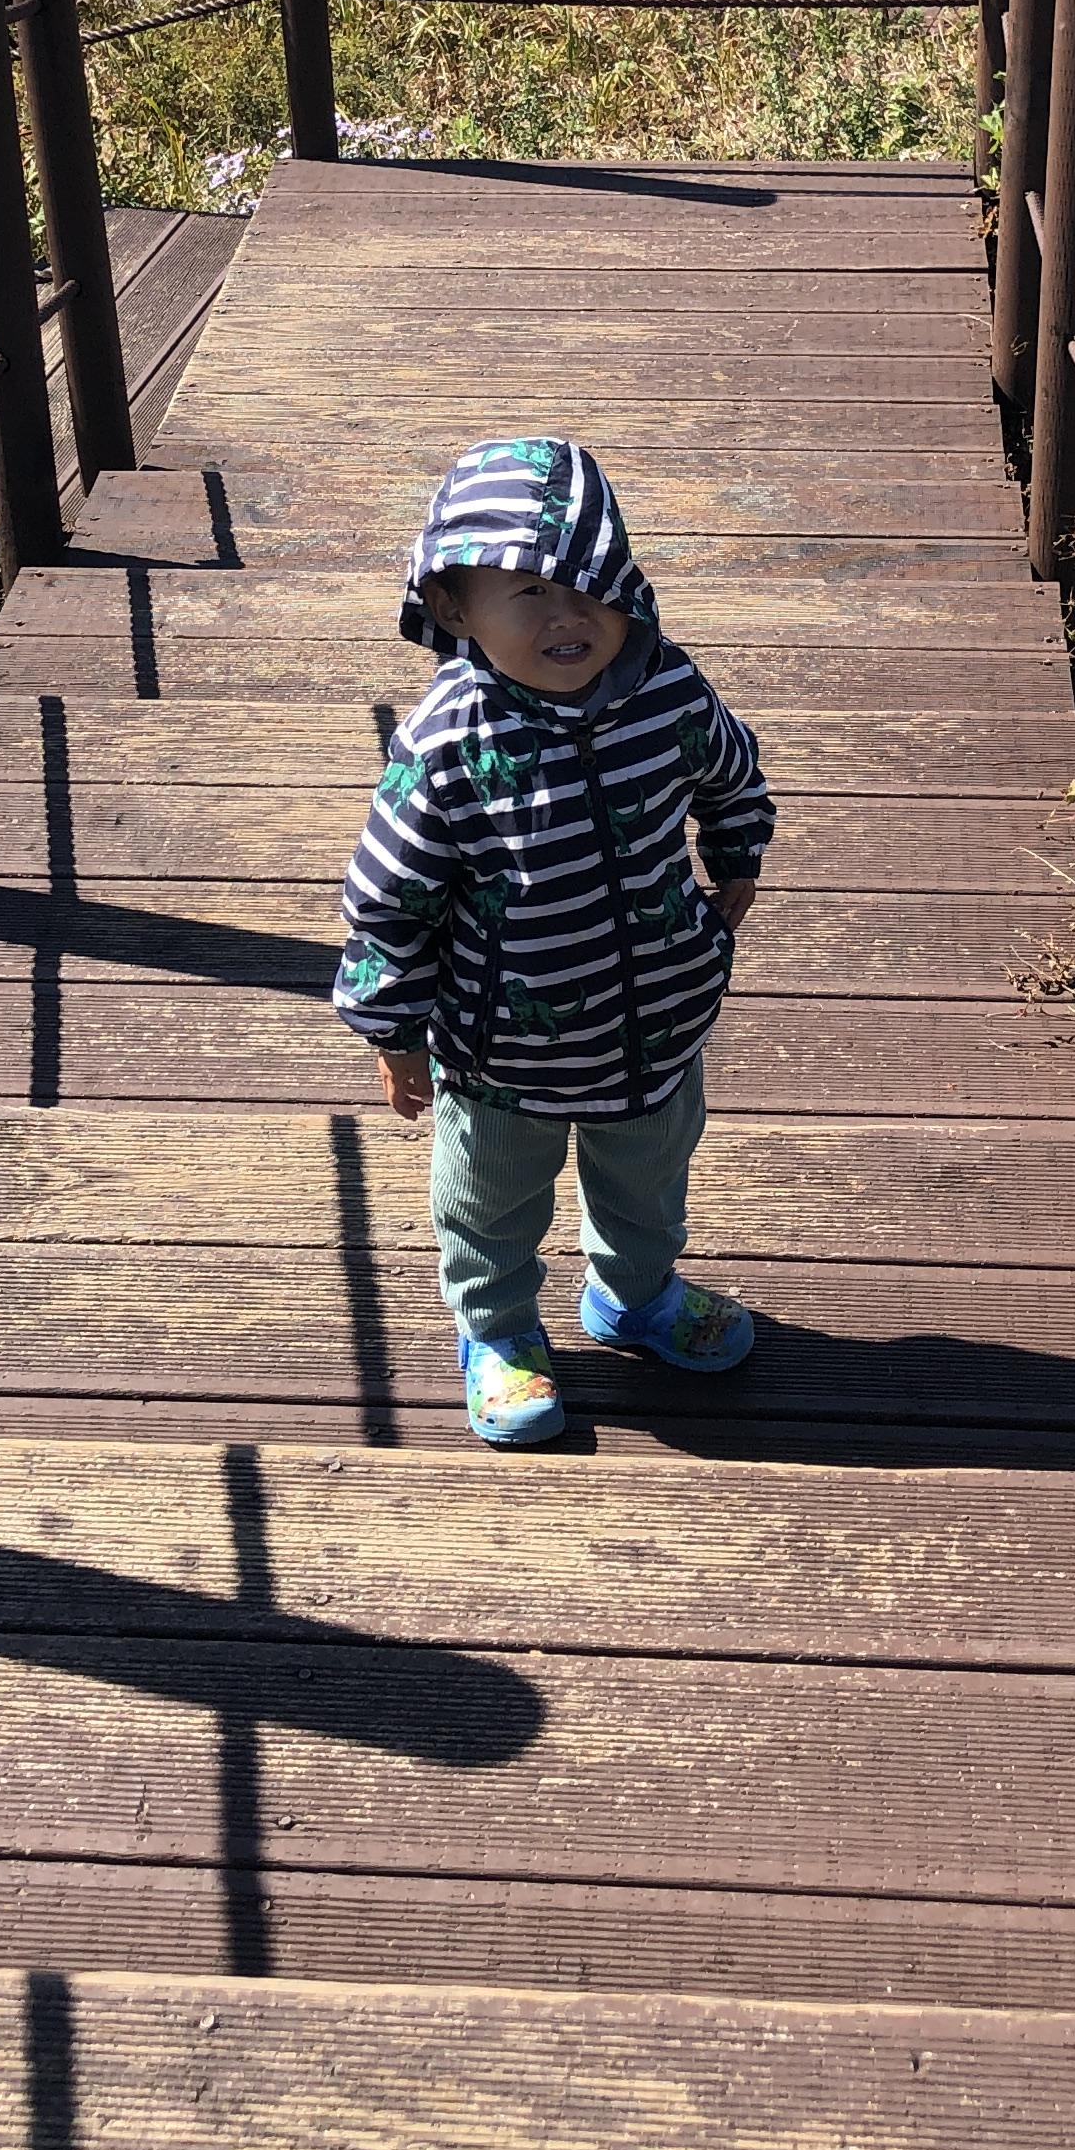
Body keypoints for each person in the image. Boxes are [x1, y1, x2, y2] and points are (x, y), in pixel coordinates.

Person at [332, 436, 774, 1448]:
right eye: (526, 592)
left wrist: (736, 864)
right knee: (490, 1208)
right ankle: (497, 1333)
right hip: (503, 1058)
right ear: (453, 607)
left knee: (650, 1183)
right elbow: (387, 899)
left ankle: (636, 1296)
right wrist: (391, 1030)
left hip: (658, 1025)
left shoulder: (669, 690)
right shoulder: (449, 742)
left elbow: (732, 777)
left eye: (590, 584)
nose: (567, 615)